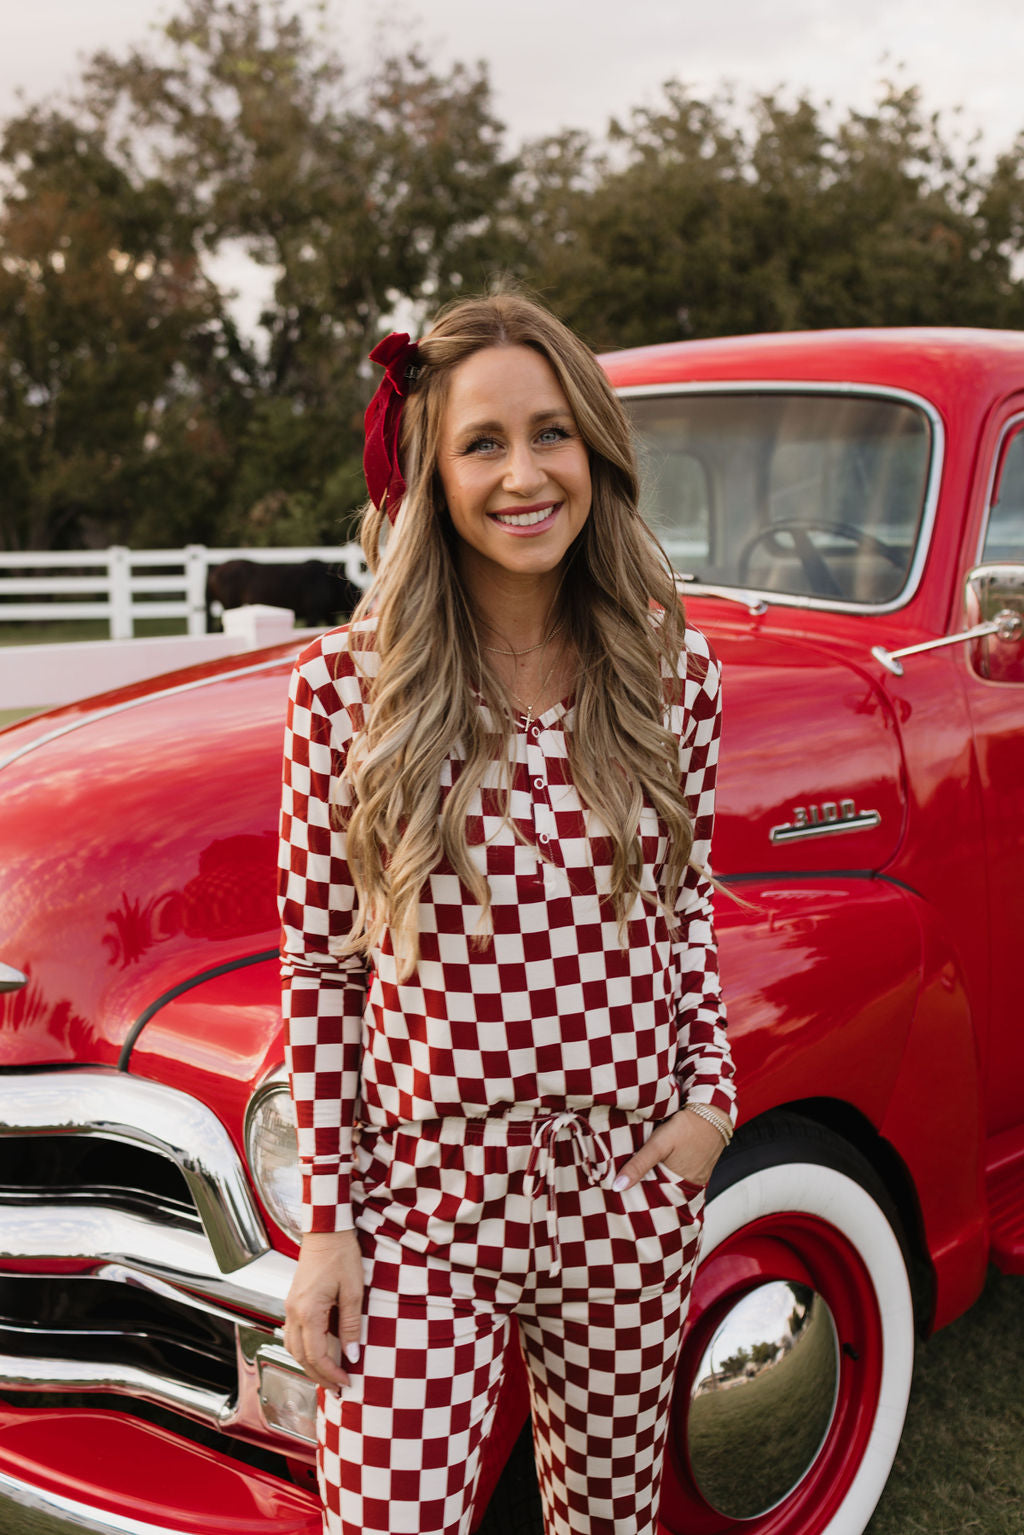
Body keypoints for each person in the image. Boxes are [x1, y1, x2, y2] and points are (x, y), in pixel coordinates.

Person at [278, 291, 736, 1535]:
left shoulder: (669, 670)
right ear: (430, 470)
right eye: (482, 442)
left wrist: (708, 1107)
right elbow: (322, 971)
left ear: (594, 447)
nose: (524, 474)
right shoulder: (344, 688)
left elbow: (685, 909)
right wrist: (327, 1224)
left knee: (608, 1518)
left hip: (622, 1186)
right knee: (391, 1515)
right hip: (424, 1208)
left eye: (552, 433)